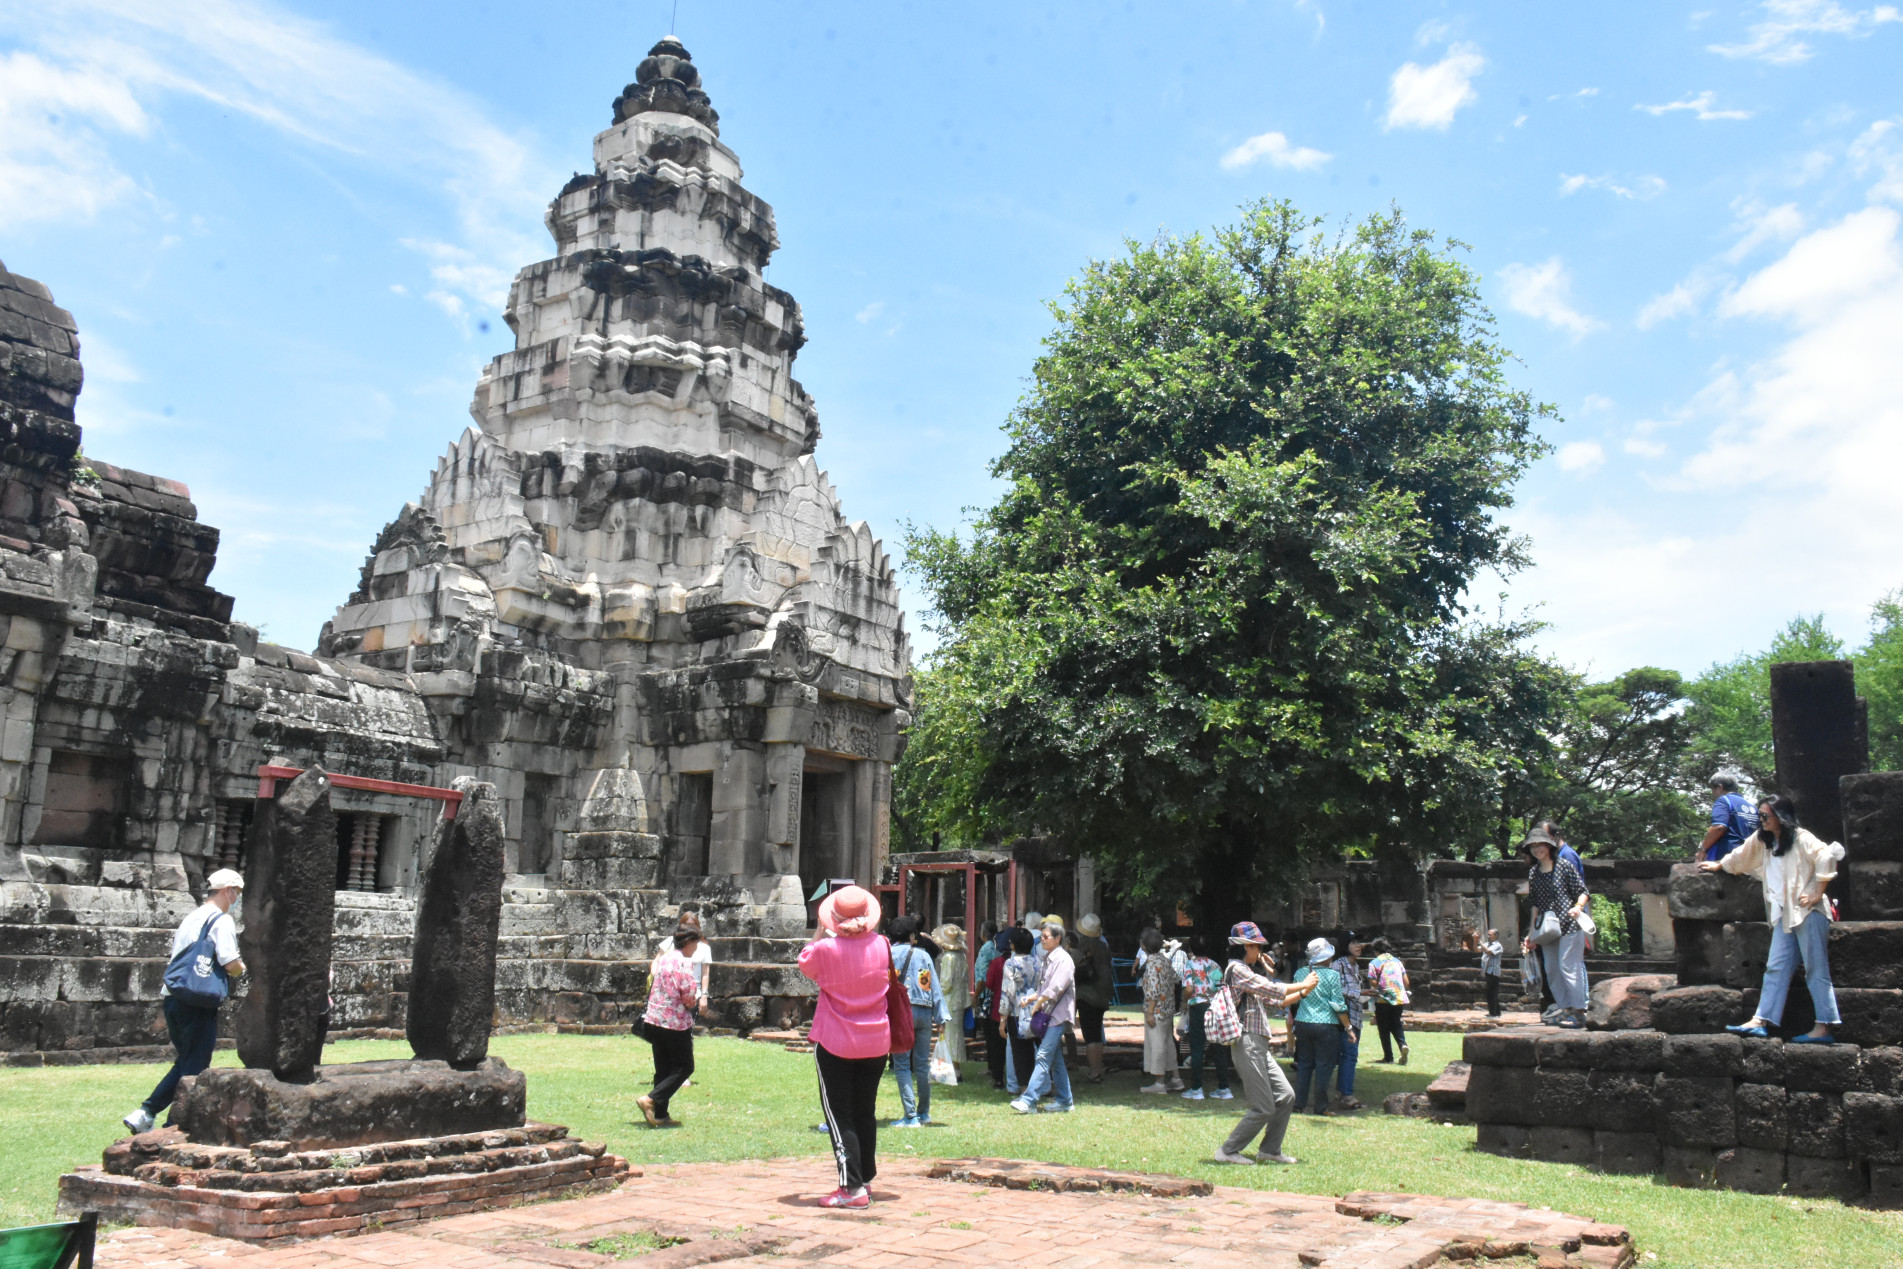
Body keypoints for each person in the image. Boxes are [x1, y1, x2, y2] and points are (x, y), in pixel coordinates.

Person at [1707, 794, 1844, 1044]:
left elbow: (1828, 854)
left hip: (1809, 913)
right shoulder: (1764, 839)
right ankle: (1761, 1020)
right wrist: (1720, 865)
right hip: (1784, 915)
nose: (1761, 820)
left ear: (1781, 817)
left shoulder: (1801, 838)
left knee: (1816, 969)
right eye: (1760, 815)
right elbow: (1741, 855)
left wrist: (1817, 891)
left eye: (1765, 816)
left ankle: (1823, 1027)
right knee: (1775, 968)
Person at [124, 869, 248, 1135]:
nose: (237, 899)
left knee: (188, 1060)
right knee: (195, 1066)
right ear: (227, 891)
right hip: (198, 1001)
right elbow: (230, 962)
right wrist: (243, 968)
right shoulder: (221, 921)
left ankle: (146, 1113)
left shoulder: (192, 916)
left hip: (174, 997)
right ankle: (171, 1124)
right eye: (236, 893)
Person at [797, 884, 891, 1210]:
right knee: (865, 1111)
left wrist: (821, 931)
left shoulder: (826, 950)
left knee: (840, 1117)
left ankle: (851, 1188)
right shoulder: (883, 945)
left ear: (832, 919)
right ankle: (864, 1178)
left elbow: (804, 960)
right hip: (876, 1041)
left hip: (836, 1041)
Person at [1213, 921, 1318, 1165]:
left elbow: (1274, 1001)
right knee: (1263, 1106)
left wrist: (1303, 992)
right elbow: (1271, 990)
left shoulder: (1247, 972)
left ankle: (1270, 1150)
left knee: (1286, 1095)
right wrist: (1303, 984)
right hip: (1247, 1043)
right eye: (1258, 946)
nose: (1261, 951)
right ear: (1246, 946)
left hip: (1258, 1044)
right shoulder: (1236, 970)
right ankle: (1227, 1151)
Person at [637, 921, 709, 1127]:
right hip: (674, 1023)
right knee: (685, 1067)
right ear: (689, 942)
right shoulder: (684, 963)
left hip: (654, 1019)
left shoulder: (665, 959)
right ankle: (650, 1099)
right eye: (696, 943)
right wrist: (694, 999)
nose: (697, 948)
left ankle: (660, 1115)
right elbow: (688, 996)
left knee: (663, 1068)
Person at [1522, 827, 1590, 1029]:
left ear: (1548, 846)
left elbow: (1583, 892)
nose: (1537, 849)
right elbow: (1534, 903)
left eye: (1540, 845)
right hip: (1546, 929)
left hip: (1569, 925)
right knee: (1551, 970)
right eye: (1533, 846)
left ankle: (1579, 1011)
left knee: (1568, 967)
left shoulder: (1564, 866)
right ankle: (1565, 1008)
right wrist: (1531, 934)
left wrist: (1577, 908)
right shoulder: (1534, 872)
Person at [886, 915, 948, 1126]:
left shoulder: (888, 955)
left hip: (901, 1012)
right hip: (924, 1011)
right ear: (911, 936)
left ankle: (910, 1115)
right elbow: (931, 986)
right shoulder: (923, 956)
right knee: (922, 1065)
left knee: (902, 1065)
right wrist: (941, 1015)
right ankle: (924, 1113)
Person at [1011, 921, 1076, 1114]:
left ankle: (1029, 1099)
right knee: (1055, 1060)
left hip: (1057, 1016)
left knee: (1043, 1056)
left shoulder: (1063, 960)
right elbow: (1043, 988)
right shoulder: (1049, 958)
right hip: (1049, 1014)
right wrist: (1032, 998)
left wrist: (1037, 1004)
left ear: (1058, 939)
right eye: (1041, 937)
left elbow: (1056, 988)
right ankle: (1065, 1101)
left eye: (1046, 936)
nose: (1042, 940)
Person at [1290, 938, 1351, 1115]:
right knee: (1324, 1066)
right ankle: (1321, 1107)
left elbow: (1295, 999)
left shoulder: (1301, 973)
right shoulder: (1332, 975)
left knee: (1304, 1065)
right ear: (1326, 956)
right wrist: (1348, 1027)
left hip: (1303, 1023)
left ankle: (1298, 1104)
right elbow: (1338, 1004)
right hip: (1326, 1025)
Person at [1178, 936, 1234, 1101]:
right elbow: (1220, 986)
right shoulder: (1215, 965)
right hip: (1215, 1007)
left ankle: (1196, 1088)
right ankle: (1224, 1087)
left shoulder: (1190, 965)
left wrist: (1184, 1001)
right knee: (1218, 1047)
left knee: (1197, 1047)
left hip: (1198, 1007)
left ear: (1192, 949)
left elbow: (1188, 989)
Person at [1137, 928, 1184, 1094]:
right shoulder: (1165, 960)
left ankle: (1159, 1083)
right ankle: (1176, 1078)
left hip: (1156, 1010)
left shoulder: (1152, 963)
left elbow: (1154, 990)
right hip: (1168, 1009)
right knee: (1168, 1044)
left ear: (1144, 945)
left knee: (1157, 1045)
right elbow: (1175, 980)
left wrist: (1149, 1012)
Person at [1073, 913, 1115, 1084]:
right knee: (1097, 1033)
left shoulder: (1083, 945)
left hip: (1087, 995)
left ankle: (1094, 1071)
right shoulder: (1103, 946)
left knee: (1089, 1035)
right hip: (1102, 994)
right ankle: (1098, 1068)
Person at [997, 927, 1039, 1095]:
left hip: (1017, 1013)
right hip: (1036, 1010)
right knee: (1039, 1049)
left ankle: (1024, 1089)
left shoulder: (1011, 963)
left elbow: (1008, 991)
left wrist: (1002, 1018)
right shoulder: (1039, 961)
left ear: (1013, 945)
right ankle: (1042, 1085)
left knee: (1021, 1052)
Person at [1327, 933, 1364, 1111]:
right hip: (1342, 1018)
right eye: (1354, 942)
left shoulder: (1354, 965)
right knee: (1348, 1055)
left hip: (1355, 1016)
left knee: (1348, 1056)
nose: (1359, 946)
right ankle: (1346, 1095)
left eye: (1359, 942)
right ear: (1345, 945)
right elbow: (1333, 990)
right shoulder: (1337, 965)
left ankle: (1342, 1092)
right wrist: (1358, 994)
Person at [1365, 937, 1412, 1063]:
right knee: (1396, 1023)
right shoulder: (1398, 962)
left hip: (1383, 999)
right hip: (1398, 998)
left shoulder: (1374, 963)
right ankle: (1403, 1044)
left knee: (1383, 1028)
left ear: (1375, 950)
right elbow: (1406, 982)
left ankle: (1388, 1057)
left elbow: (1373, 981)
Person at [1696, 773, 1760, 864]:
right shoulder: (1752, 806)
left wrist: (1702, 849)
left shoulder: (1723, 801)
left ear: (1720, 788)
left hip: (1727, 857)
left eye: (1712, 789)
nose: (1712, 793)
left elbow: (1719, 827)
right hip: (1750, 857)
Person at [933, 924, 970, 1067]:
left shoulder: (948, 958)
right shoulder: (961, 957)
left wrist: (936, 993)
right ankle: (955, 1067)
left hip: (950, 1000)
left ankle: (951, 1067)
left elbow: (946, 983)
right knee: (956, 1034)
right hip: (960, 999)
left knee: (949, 1035)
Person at [978, 926, 1011, 1088]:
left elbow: (989, 984)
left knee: (997, 1045)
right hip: (1019, 1011)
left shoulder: (998, 963)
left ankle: (998, 1078)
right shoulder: (1030, 962)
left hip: (998, 1008)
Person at [1480, 928, 1505, 1018]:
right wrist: (1475, 941)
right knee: (1490, 992)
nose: (1489, 936)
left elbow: (1488, 951)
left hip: (1494, 972)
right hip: (1488, 971)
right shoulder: (1487, 944)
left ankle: (1494, 1013)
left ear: (1496, 935)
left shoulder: (1497, 945)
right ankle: (1494, 1012)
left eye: (1491, 934)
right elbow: (1477, 949)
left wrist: (1479, 941)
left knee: (1493, 992)